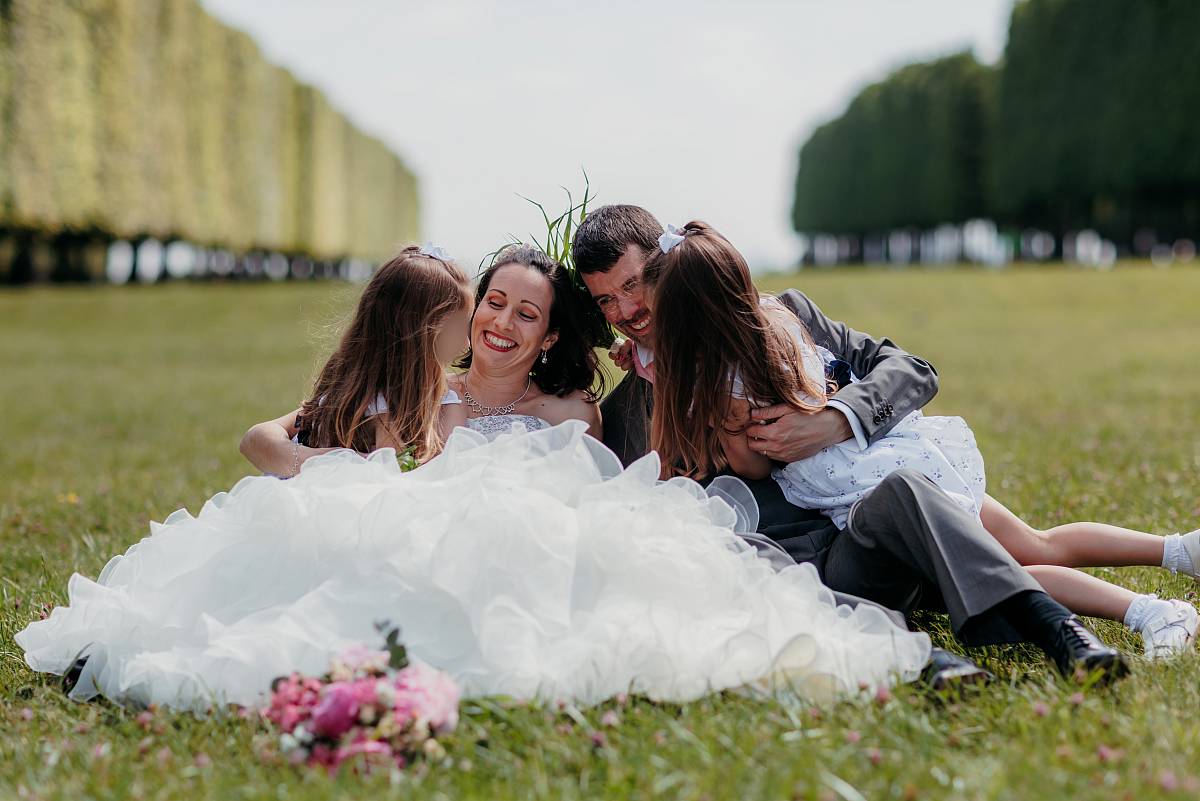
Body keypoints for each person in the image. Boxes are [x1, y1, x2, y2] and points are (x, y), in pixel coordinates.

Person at [16, 244, 933, 711]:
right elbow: (269, 435)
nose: (503, 323)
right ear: (471, 311)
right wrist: (337, 475)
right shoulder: (418, 392)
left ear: (549, 336)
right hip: (414, 540)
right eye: (493, 303)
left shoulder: (570, 414)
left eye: (528, 315)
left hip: (522, 549)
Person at [572, 205, 1130, 683]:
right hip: (788, 577)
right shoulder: (625, 411)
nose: (626, 313)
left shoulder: (776, 319)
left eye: (632, 284)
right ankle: (921, 660)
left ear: (668, 271)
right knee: (743, 556)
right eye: (605, 302)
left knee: (905, 490)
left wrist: (838, 419)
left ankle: (1061, 633)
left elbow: (911, 371)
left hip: (868, 541)